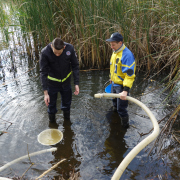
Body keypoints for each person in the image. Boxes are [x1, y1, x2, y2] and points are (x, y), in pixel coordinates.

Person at [39, 37, 79, 123]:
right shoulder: (45, 52)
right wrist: (45, 93)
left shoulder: (70, 48)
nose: (57, 55)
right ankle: (52, 126)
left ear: (64, 48)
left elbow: (75, 66)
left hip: (66, 83)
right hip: (51, 85)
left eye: (59, 53)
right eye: (55, 53)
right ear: (51, 46)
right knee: (51, 106)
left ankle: (67, 125)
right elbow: (43, 73)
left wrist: (76, 83)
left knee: (66, 105)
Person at [106, 32, 136, 128]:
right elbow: (114, 68)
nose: (111, 47)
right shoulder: (115, 52)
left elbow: (129, 75)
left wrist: (125, 91)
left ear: (120, 43)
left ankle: (124, 127)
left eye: (113, 44)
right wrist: (111, 78)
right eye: (111, 44)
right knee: (114, 103)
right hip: (114, 83)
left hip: (122, 87)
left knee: (121, 109)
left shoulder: (127, 55)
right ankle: (115, 119)